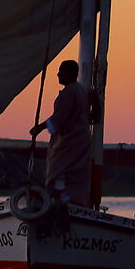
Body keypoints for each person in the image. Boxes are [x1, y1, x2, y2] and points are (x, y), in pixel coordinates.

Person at [32, 59, 98, 206]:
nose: (58, 74)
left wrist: (40, 127)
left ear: (69, 73)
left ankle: (60, 197)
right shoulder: (81, 90)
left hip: (69, 140)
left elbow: (60, 117)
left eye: (61, 71)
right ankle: (72, 198)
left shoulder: (70, 92)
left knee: (58, 169)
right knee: (75, 172)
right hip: (80, 139)